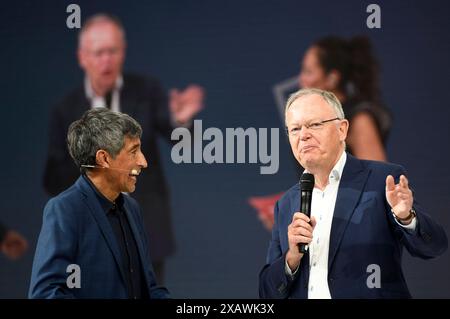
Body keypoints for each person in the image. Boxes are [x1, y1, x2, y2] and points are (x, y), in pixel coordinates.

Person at [43, 14, 204, 283]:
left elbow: (183, 143)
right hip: (89, 229)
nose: (106, 60)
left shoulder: (147, 90)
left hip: (146, 226)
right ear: (82, 57)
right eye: (98, 53)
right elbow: (52, 179)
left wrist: (182, 121)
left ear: (123, 52)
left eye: (112, 51)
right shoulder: (65, 110)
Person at [259, 88, 447, 299]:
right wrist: (291, 258)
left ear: (342, 129)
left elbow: (435, 246)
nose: (303, 135)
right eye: (294, 129)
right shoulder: (286, 203)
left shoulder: (381, 180)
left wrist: (406, 217)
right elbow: (267, 292)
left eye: (314, 124)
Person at [249, 35, 391, 231]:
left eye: (308, 71)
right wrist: (292, 209)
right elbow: (323, 187)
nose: (301, 79)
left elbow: (380, 188)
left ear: (332, 78)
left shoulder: (359, 120)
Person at [30, 108, 169, 299]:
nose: (143, 162)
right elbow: (46, 293)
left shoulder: (132, 209)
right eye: (133, 151)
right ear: (103, 158)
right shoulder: (65, 210)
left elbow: (149, 288)